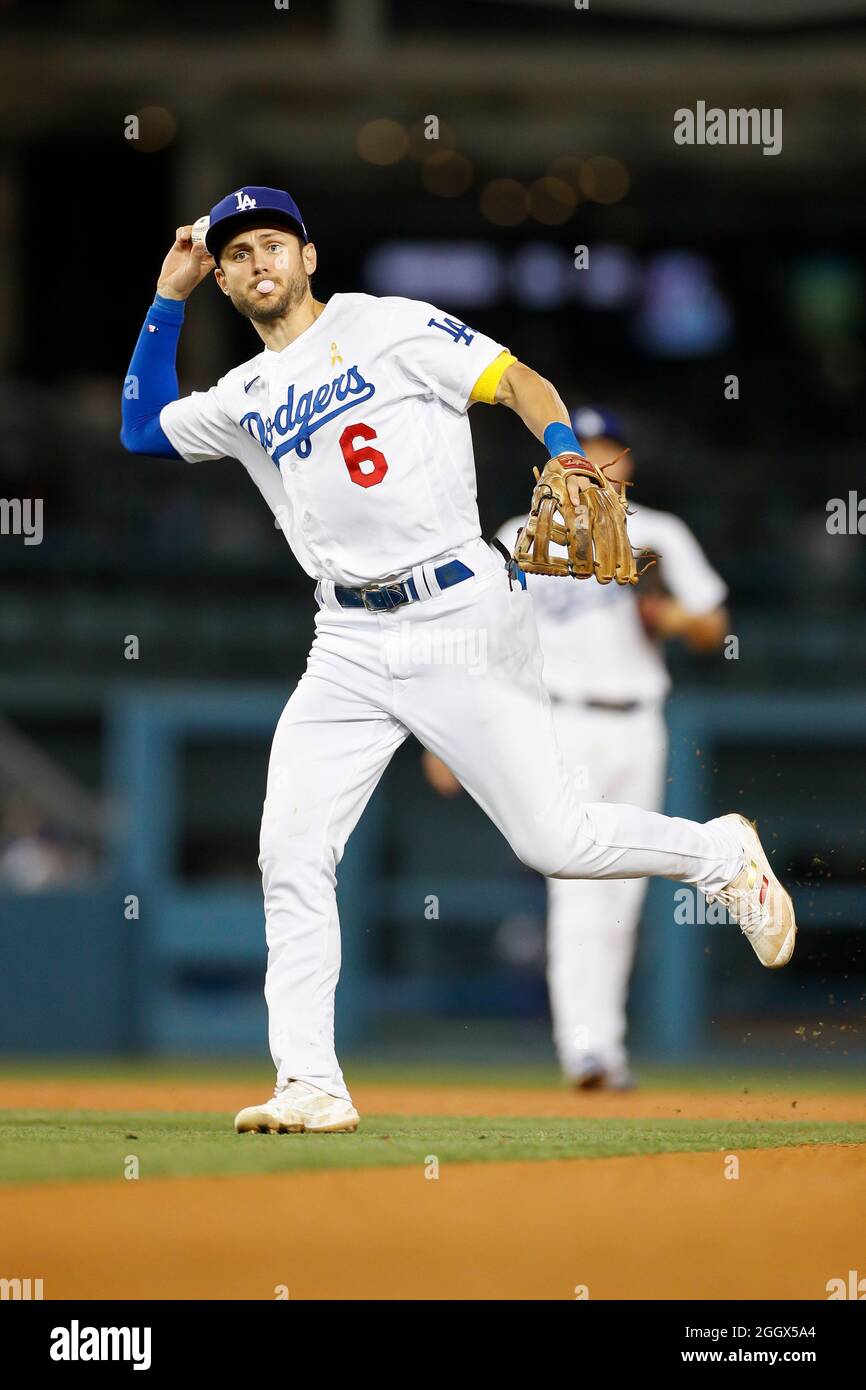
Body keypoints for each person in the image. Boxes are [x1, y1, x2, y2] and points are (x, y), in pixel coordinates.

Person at [120, 186, 795, 1135]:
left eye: (273, 244)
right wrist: (167, 297)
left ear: (309, 258)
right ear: (226, 277)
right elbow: (141, 429)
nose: (257, 262)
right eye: (237, 255)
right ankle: (310, 1081)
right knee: (291, 851)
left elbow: (520, 383)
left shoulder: (390, 326)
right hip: (345, 638)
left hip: (457, 613)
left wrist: (565, 453)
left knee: (554, 843)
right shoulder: (243, 395)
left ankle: (719, 853)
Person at [424, 406, 729, 1090]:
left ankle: (606, 1049)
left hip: (640, 720)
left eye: (605, 446)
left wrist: (678, 619)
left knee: (623, 892)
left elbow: (714, 623)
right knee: (576, 883)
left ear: (625, 458)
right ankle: (583, 1049)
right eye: (581, 445)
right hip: (559, 720)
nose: (593, 457)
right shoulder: (519, 534)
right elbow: (481, 639)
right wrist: (450, 732)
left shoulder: (658, 531)